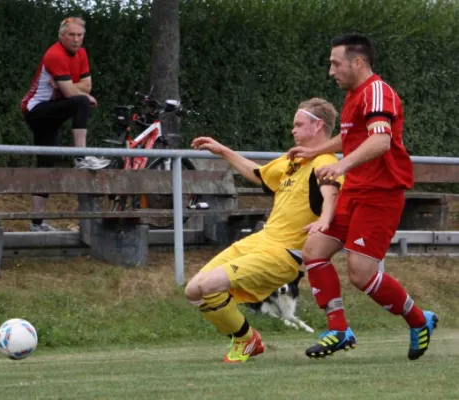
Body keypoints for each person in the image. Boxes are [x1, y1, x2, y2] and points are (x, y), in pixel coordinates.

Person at [287, 34, 438, 361]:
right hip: (356, 189)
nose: (331, 71)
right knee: (314, 250)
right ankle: (338, 330)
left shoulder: (376, 92)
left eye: (335, 63)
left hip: (381, 194)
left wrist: (340, 165)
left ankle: (419, 319)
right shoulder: (355, 95)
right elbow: (351, 138)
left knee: (360, 274)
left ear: (358, 62)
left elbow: (380, 142)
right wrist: (314, 150)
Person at [185, 98, 343, 363]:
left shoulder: (325, 161)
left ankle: (244, 342)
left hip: (282, 255)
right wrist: (224, 151)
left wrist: (325, 219)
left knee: (208, 286)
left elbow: (331, 194)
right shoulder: (294, 160)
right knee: (193, 290)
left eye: (298, 124)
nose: (292, 129)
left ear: (318, 126)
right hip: (261, 240)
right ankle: (248, 339)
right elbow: (259, 173)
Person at [20, 17, 110, 232]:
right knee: (81, 102)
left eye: (79, 35)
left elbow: (86, 85)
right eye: (71, 35)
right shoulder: (54, 54)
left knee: (46, 166)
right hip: (36, 110)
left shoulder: (82, 54)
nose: (76, 39)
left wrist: (66, 87)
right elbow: (74, 93)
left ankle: (37, 222)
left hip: (54, 108)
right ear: (61, 36)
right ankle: (81, 156)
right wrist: (73, 90)